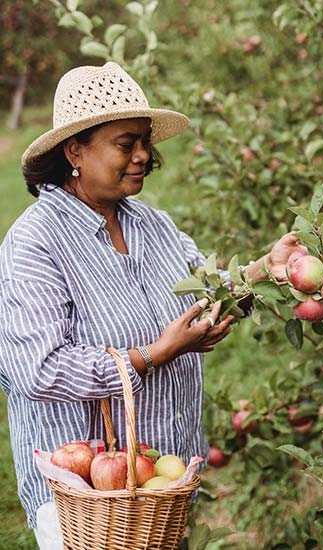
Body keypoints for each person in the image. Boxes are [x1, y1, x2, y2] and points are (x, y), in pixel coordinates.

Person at [0, 62, 302, 549]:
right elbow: (37, 369)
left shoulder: (153, 225)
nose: (142, 155)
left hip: (164, 480)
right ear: (75, 150)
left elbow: (205, 294)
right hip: (89, 499)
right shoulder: (35, 242)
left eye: (145, 141)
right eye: (126, 144)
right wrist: (153, 355)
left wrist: (264, 269)